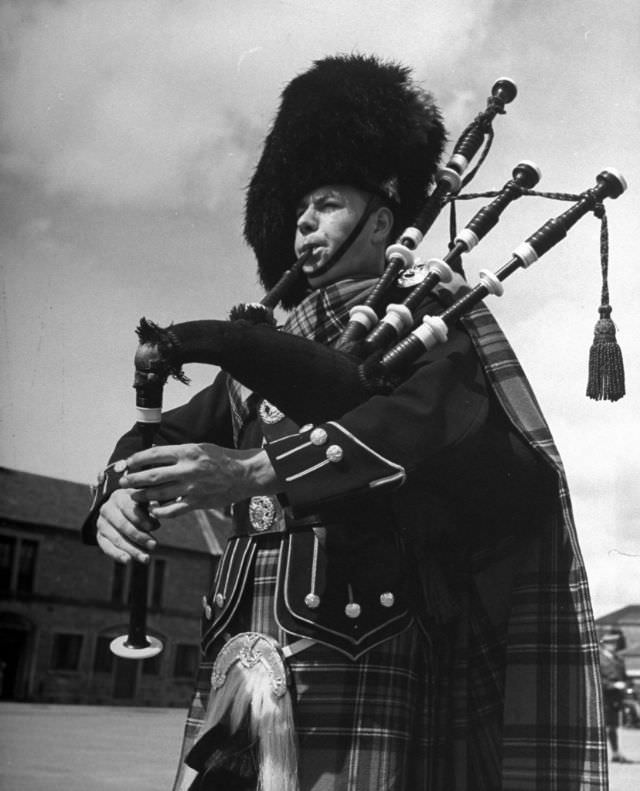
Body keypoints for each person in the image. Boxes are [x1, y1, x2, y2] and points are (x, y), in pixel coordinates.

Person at [82, 55, 607, 790]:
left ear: (383, 220)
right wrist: (116, 488)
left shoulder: (429, 318)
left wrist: (257, 469)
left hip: (360, 635)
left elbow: (424, 417)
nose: (302, 222)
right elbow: (160, 431)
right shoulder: (262, 355)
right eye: (296, 209)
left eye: (325, 203)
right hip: (241, 637)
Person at [599, 630, 632, 764]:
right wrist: (613, 685)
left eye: (614, 643)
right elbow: (597, 679)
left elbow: (624, 677)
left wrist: (627, 685)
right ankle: (608, 754)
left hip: (616, 698)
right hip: (604, 696)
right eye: (610, 643)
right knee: (606, 727)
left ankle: (615, 753)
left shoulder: (618, 658)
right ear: (604, 644)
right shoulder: (598, 659)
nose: (613, 645)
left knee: (613, 726)